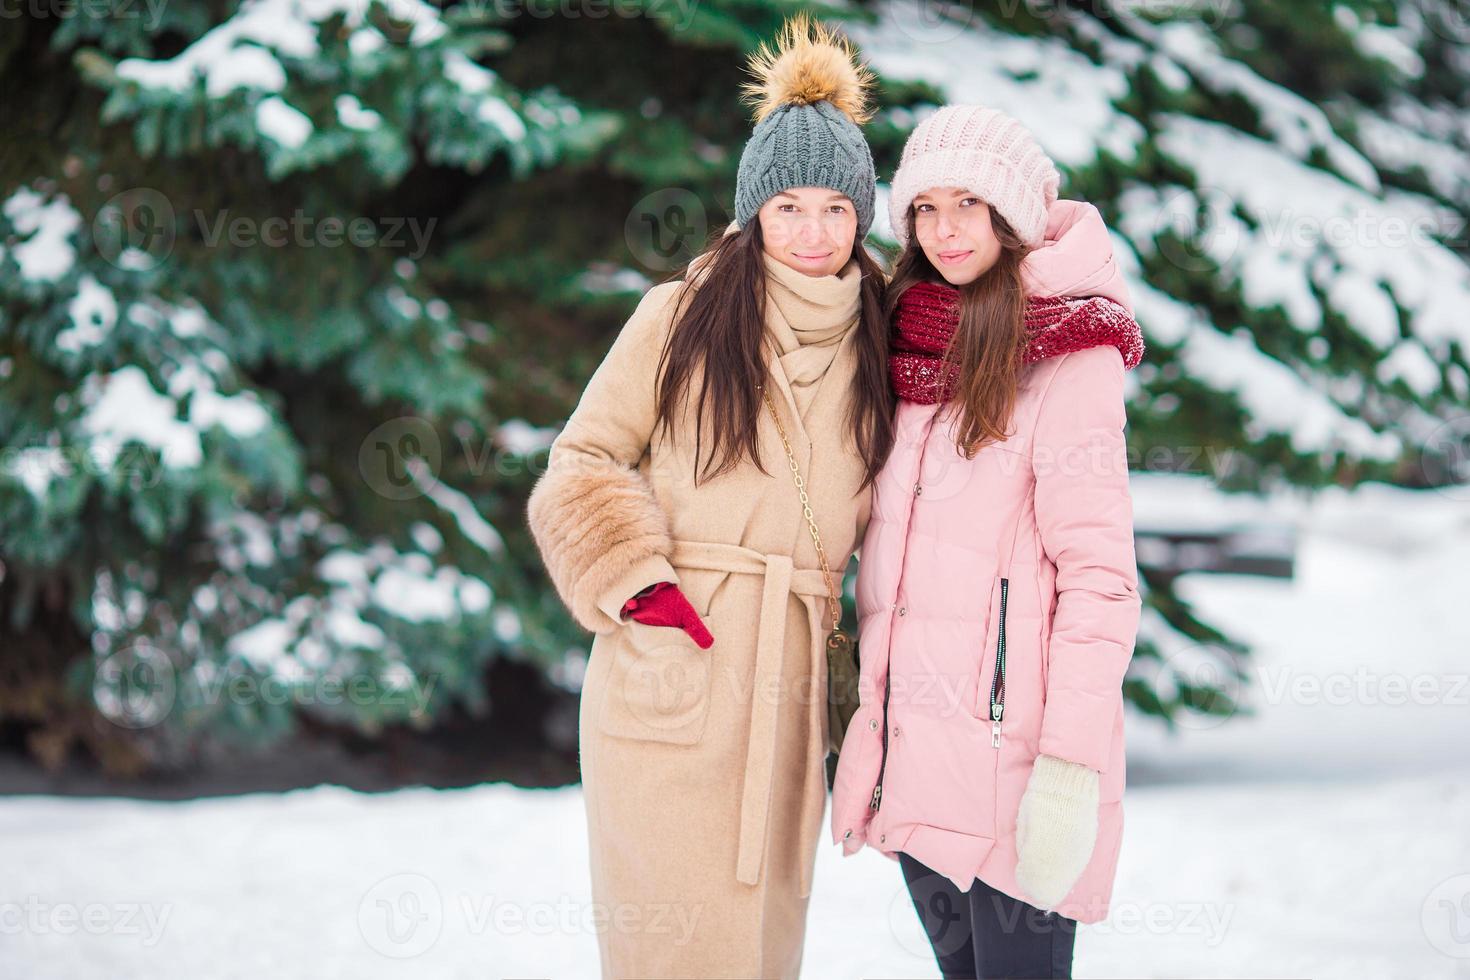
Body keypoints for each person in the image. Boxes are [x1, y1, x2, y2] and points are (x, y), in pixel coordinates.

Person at [526, 15, 893, 978]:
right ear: (753, 214)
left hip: (792, 672)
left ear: (861, 215)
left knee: (763, 946)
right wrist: (639, 589)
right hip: (670, 666)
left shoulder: (888, 338)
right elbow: (582, 460)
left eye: (833, 209)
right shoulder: (681, 317)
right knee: (666, 945)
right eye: (787, 208)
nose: (811, 233)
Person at [828, 103, 1147, 979]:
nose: (945, 228)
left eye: (968, 202)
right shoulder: (906, 341)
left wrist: (1070, 771)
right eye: (924, 207)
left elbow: (1101, 580)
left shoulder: (1067, 354)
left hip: (1021, 770)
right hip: (920, 762)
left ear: (1013, 211)